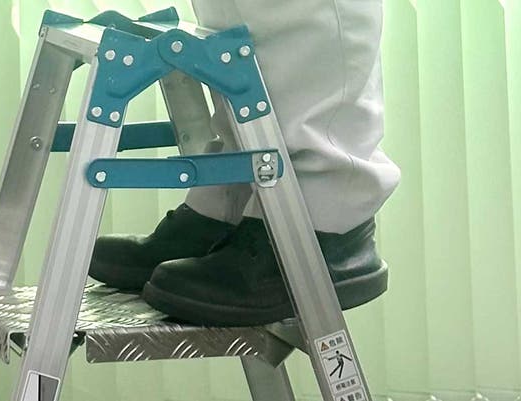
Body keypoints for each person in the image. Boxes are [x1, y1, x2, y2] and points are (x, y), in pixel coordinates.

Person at [90, 0, 401, 326]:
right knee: (237, 18)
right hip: (241, 178)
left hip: (316, 215)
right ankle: (232, 204)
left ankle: (323, 212)